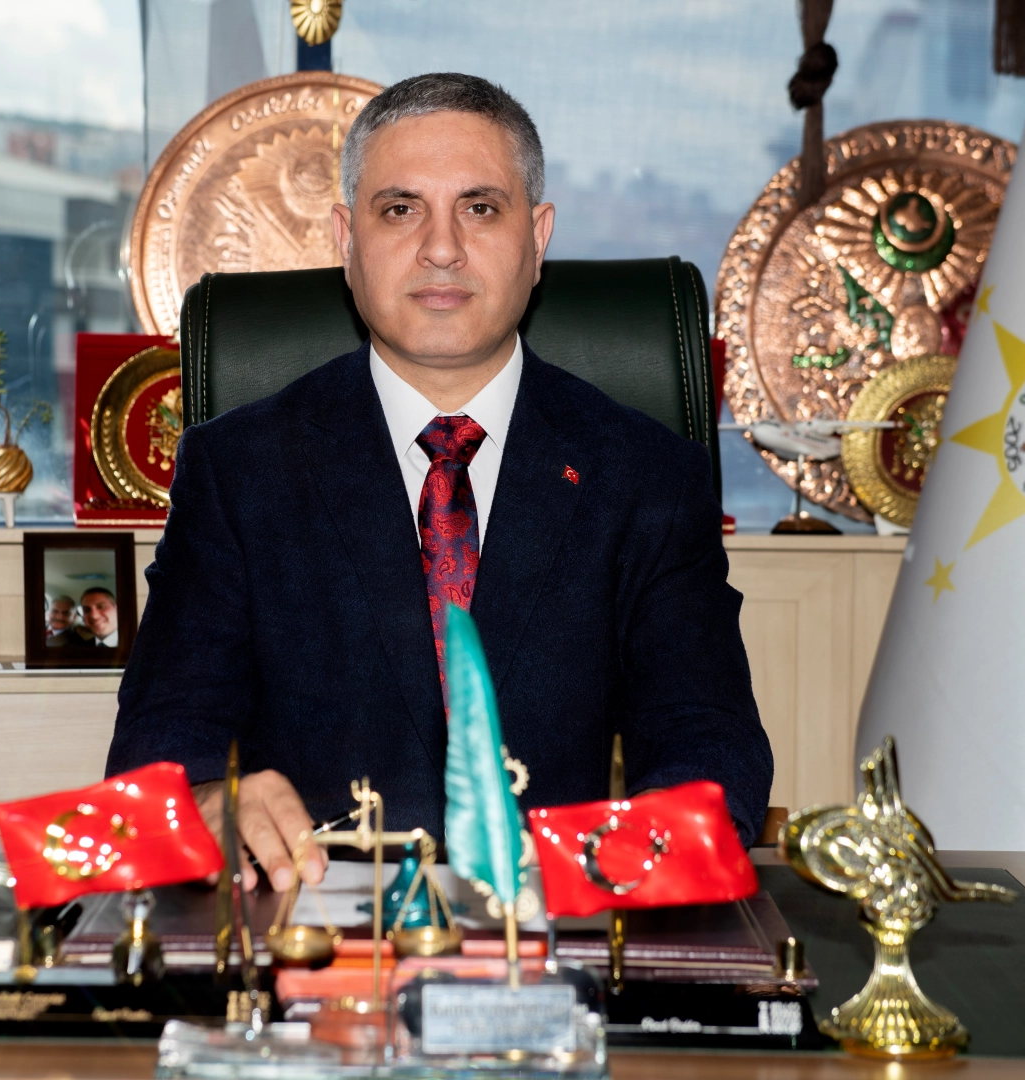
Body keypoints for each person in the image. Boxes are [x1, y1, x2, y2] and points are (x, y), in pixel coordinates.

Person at [108, 72, 771, 892]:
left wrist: (630, 857)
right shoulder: (239, 472)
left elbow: (708, 743)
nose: (442, 248)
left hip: (554, 926)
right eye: (400, 209)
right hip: (314, 931)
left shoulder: (648, 478)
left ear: (538, 238)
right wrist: (208, 803)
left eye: (481, 208)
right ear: (346, 239)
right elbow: (160, 752)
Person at [49, 587, 119, 648]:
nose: (94, 616)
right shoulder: (86, 646)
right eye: (86, 610)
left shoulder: (76, 643)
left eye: (101, 607)